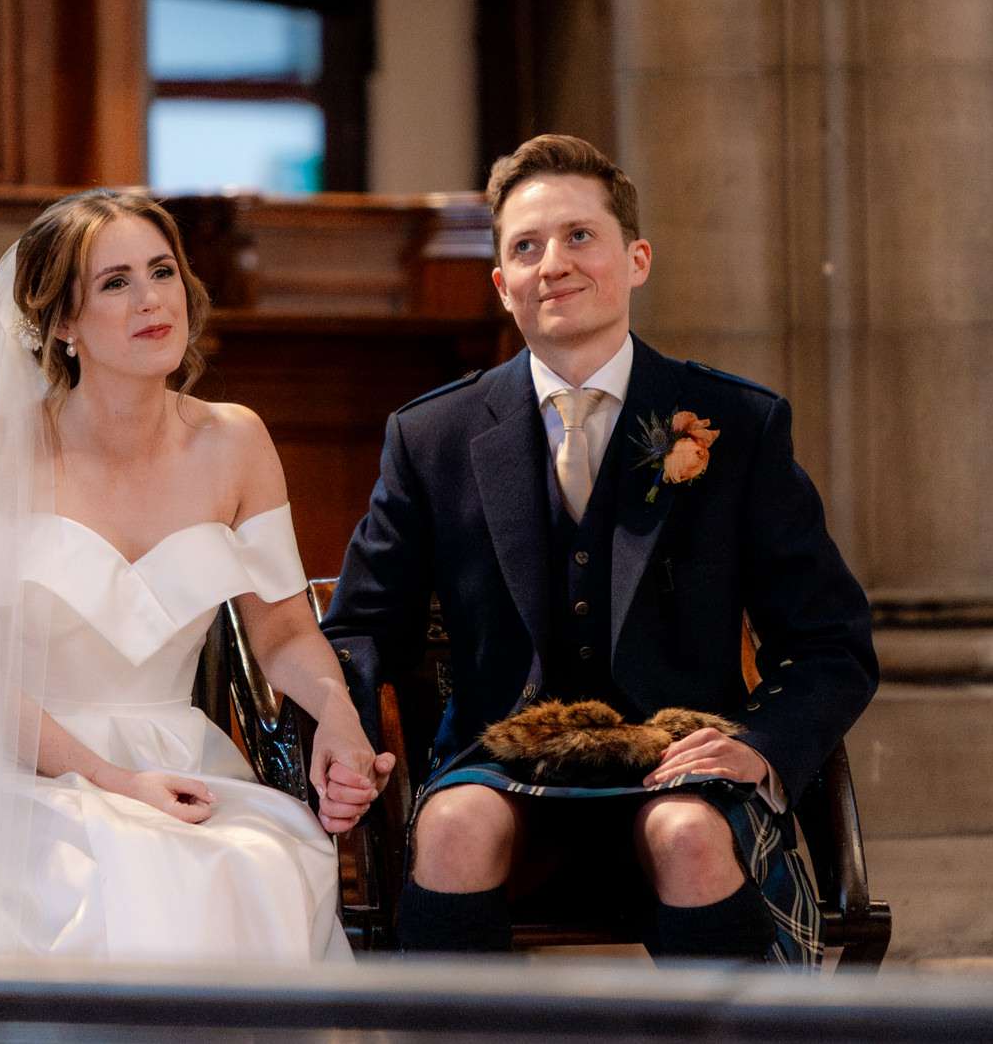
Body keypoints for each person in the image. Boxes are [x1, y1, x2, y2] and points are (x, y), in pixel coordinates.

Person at [0, 189, 389, 961]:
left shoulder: (237, 441)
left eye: (162, 272)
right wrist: (112, 779)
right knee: (122, 886)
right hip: (21, 767)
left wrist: (335, 709)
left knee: (260, 859)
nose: (151, 300)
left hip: (180, 757)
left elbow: (284, 626)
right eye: (115, 282)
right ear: (62, 322)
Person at [323, 135, 877, 964]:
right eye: (526, 246)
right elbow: (361, 625)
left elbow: (834, 640)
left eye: (580, 235)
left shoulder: (737, 423)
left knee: (688, 831)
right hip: (497, 761)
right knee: (452, 824)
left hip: (681, 765)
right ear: (501, 282)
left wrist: (759, 746)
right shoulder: (431, 435)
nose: (554, 262)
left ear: (637, 258)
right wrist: (349, 736)